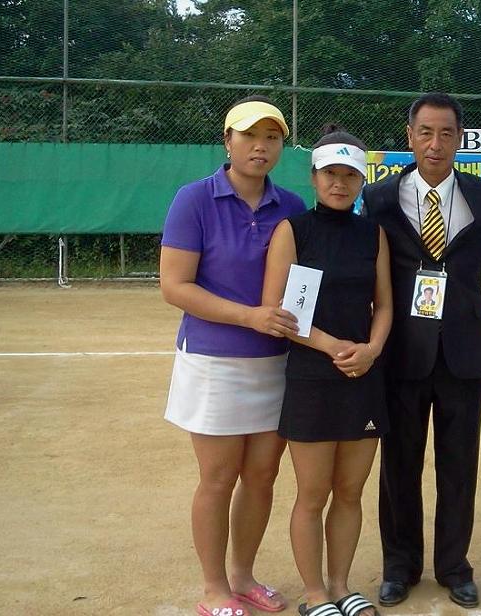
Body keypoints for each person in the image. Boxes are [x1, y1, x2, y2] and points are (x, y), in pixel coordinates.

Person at [362, 93, 481, 609]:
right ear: (410, 136)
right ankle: (399, 567)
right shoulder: (379, 197)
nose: (436, 143)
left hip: (464, 350)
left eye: (447, 133)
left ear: (460, 139)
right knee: (398, 464)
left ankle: (453, 566)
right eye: (425, 132)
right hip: (402, 351)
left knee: (459, 464)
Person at [160, 96, 305, 616]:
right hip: (214, 362)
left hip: (277, 363)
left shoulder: (293, 207)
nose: (260, 146)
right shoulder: (194, 200)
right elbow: (175, 286)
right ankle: (214, 588)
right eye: (249, 135)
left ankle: (243, 577)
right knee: (219, 478)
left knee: (262, 477)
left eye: (272, 137)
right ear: (228, 141)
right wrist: (249, 317)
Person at [261, 126, 392, 616]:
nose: (340, 183)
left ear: (362, 180)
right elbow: (278, 310)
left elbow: (384, 305)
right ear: (314, 177)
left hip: (362, 377)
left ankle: (340, 586)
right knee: (313, 494)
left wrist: (371, 349)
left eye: (350, 175)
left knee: (351, 492)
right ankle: (315, 593)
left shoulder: (372, 233)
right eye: (330, 174)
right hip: (312, 378)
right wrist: (330, 345)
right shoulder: (293, 230)